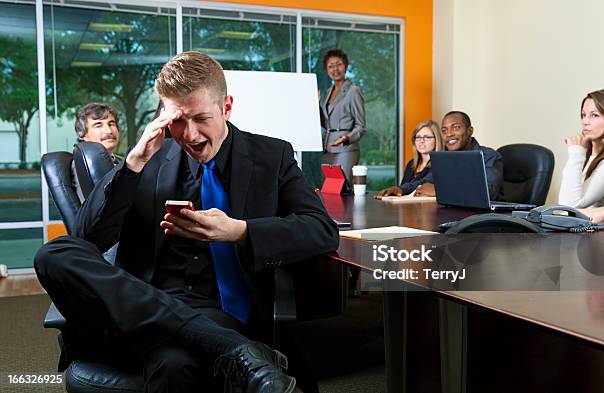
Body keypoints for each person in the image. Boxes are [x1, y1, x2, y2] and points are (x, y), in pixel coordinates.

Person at [34, 51, 339, 393]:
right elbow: (87, 239)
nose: (190, 135)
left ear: (227, 107)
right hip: (147, 304)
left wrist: (238, 231)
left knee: (174, 364)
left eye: (201, 118)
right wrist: (133, 163)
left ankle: (222, 341)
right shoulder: (148, 158)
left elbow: (321, 230)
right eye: (177, 120)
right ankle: (232, 349)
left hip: (221, 309)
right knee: (53, 253)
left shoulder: (272, 155)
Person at [414, 111, 503, 198]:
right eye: (444, 130)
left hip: (482, 212)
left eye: (456, 128)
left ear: (470, 131)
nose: (449, 134)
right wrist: (402, 189)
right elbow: (425, 181)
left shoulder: (489, 156)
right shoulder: (446, 158)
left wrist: (439, 190)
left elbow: (488, 192)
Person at [559, 89, 604, 208]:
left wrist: (576, 153)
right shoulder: (587, 156)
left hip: (596, 227)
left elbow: (569, 207)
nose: (585, 122)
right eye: (583, 115)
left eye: (594, 115)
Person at [320, 48, 366, 183]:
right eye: (330, 66)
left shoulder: (353, 91)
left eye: (338, 64)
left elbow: (361, 126)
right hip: (328, 148)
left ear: (345, 66)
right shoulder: (327, 93)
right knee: (328, 190)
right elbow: (326, 123)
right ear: (327, 70)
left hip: (346, 149)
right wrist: (317, 106)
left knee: (341, 188)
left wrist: (346, 138)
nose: (335, 69)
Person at [375, 120, 443, 198]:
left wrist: (400, 189)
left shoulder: (440, 163)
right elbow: (402, 188)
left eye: (427, 137)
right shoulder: (411, 164)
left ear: (436, 140)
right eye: (418, 137)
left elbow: (423, 184)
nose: (421, 141)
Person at [72, 102, 123, 202]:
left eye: (111, 124)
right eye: (98, 125)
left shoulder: (123, 161)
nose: (108, 131)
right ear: (82, 134)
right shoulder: (83, 164)